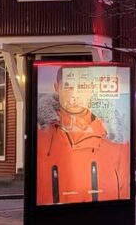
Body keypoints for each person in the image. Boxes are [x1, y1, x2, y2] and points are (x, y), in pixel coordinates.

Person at [36, 65, 130, 205]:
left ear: (91, 89)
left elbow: (123, 194)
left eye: (82, 86)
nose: (74, 95)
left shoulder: (117, 140)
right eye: (68, 86)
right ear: (57, 88)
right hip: (53, 223)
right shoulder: (40, 135)